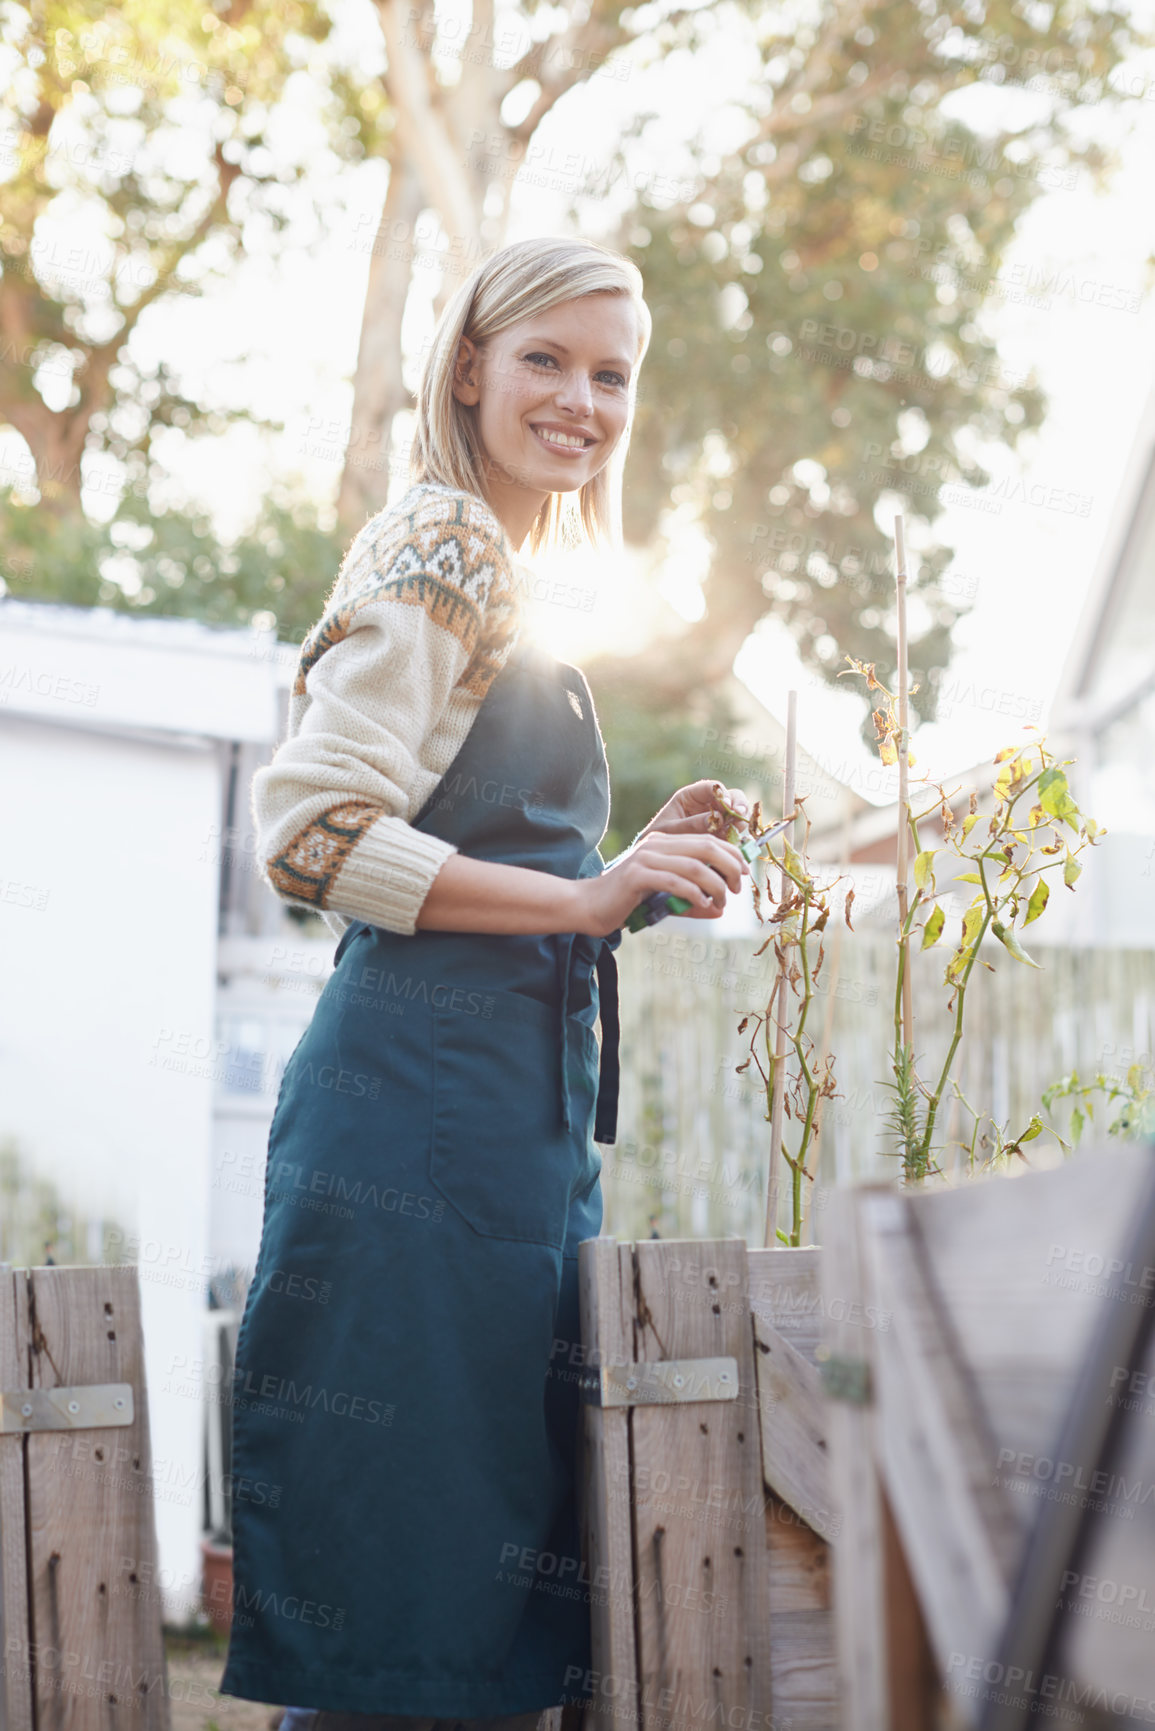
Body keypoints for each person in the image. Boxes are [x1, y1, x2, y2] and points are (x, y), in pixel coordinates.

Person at [218, 235, 751, 1731]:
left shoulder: (513, 574)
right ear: (467, 367)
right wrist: (583, 891)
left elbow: (494, 879)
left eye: (611, 375)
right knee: (411, 1608)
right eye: (546, 360)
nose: (583, 401)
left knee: (476, 1610)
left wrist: (622, 880)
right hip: (416, 1129)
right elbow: (311, 832)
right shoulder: (441, 545)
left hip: (505, 1140)